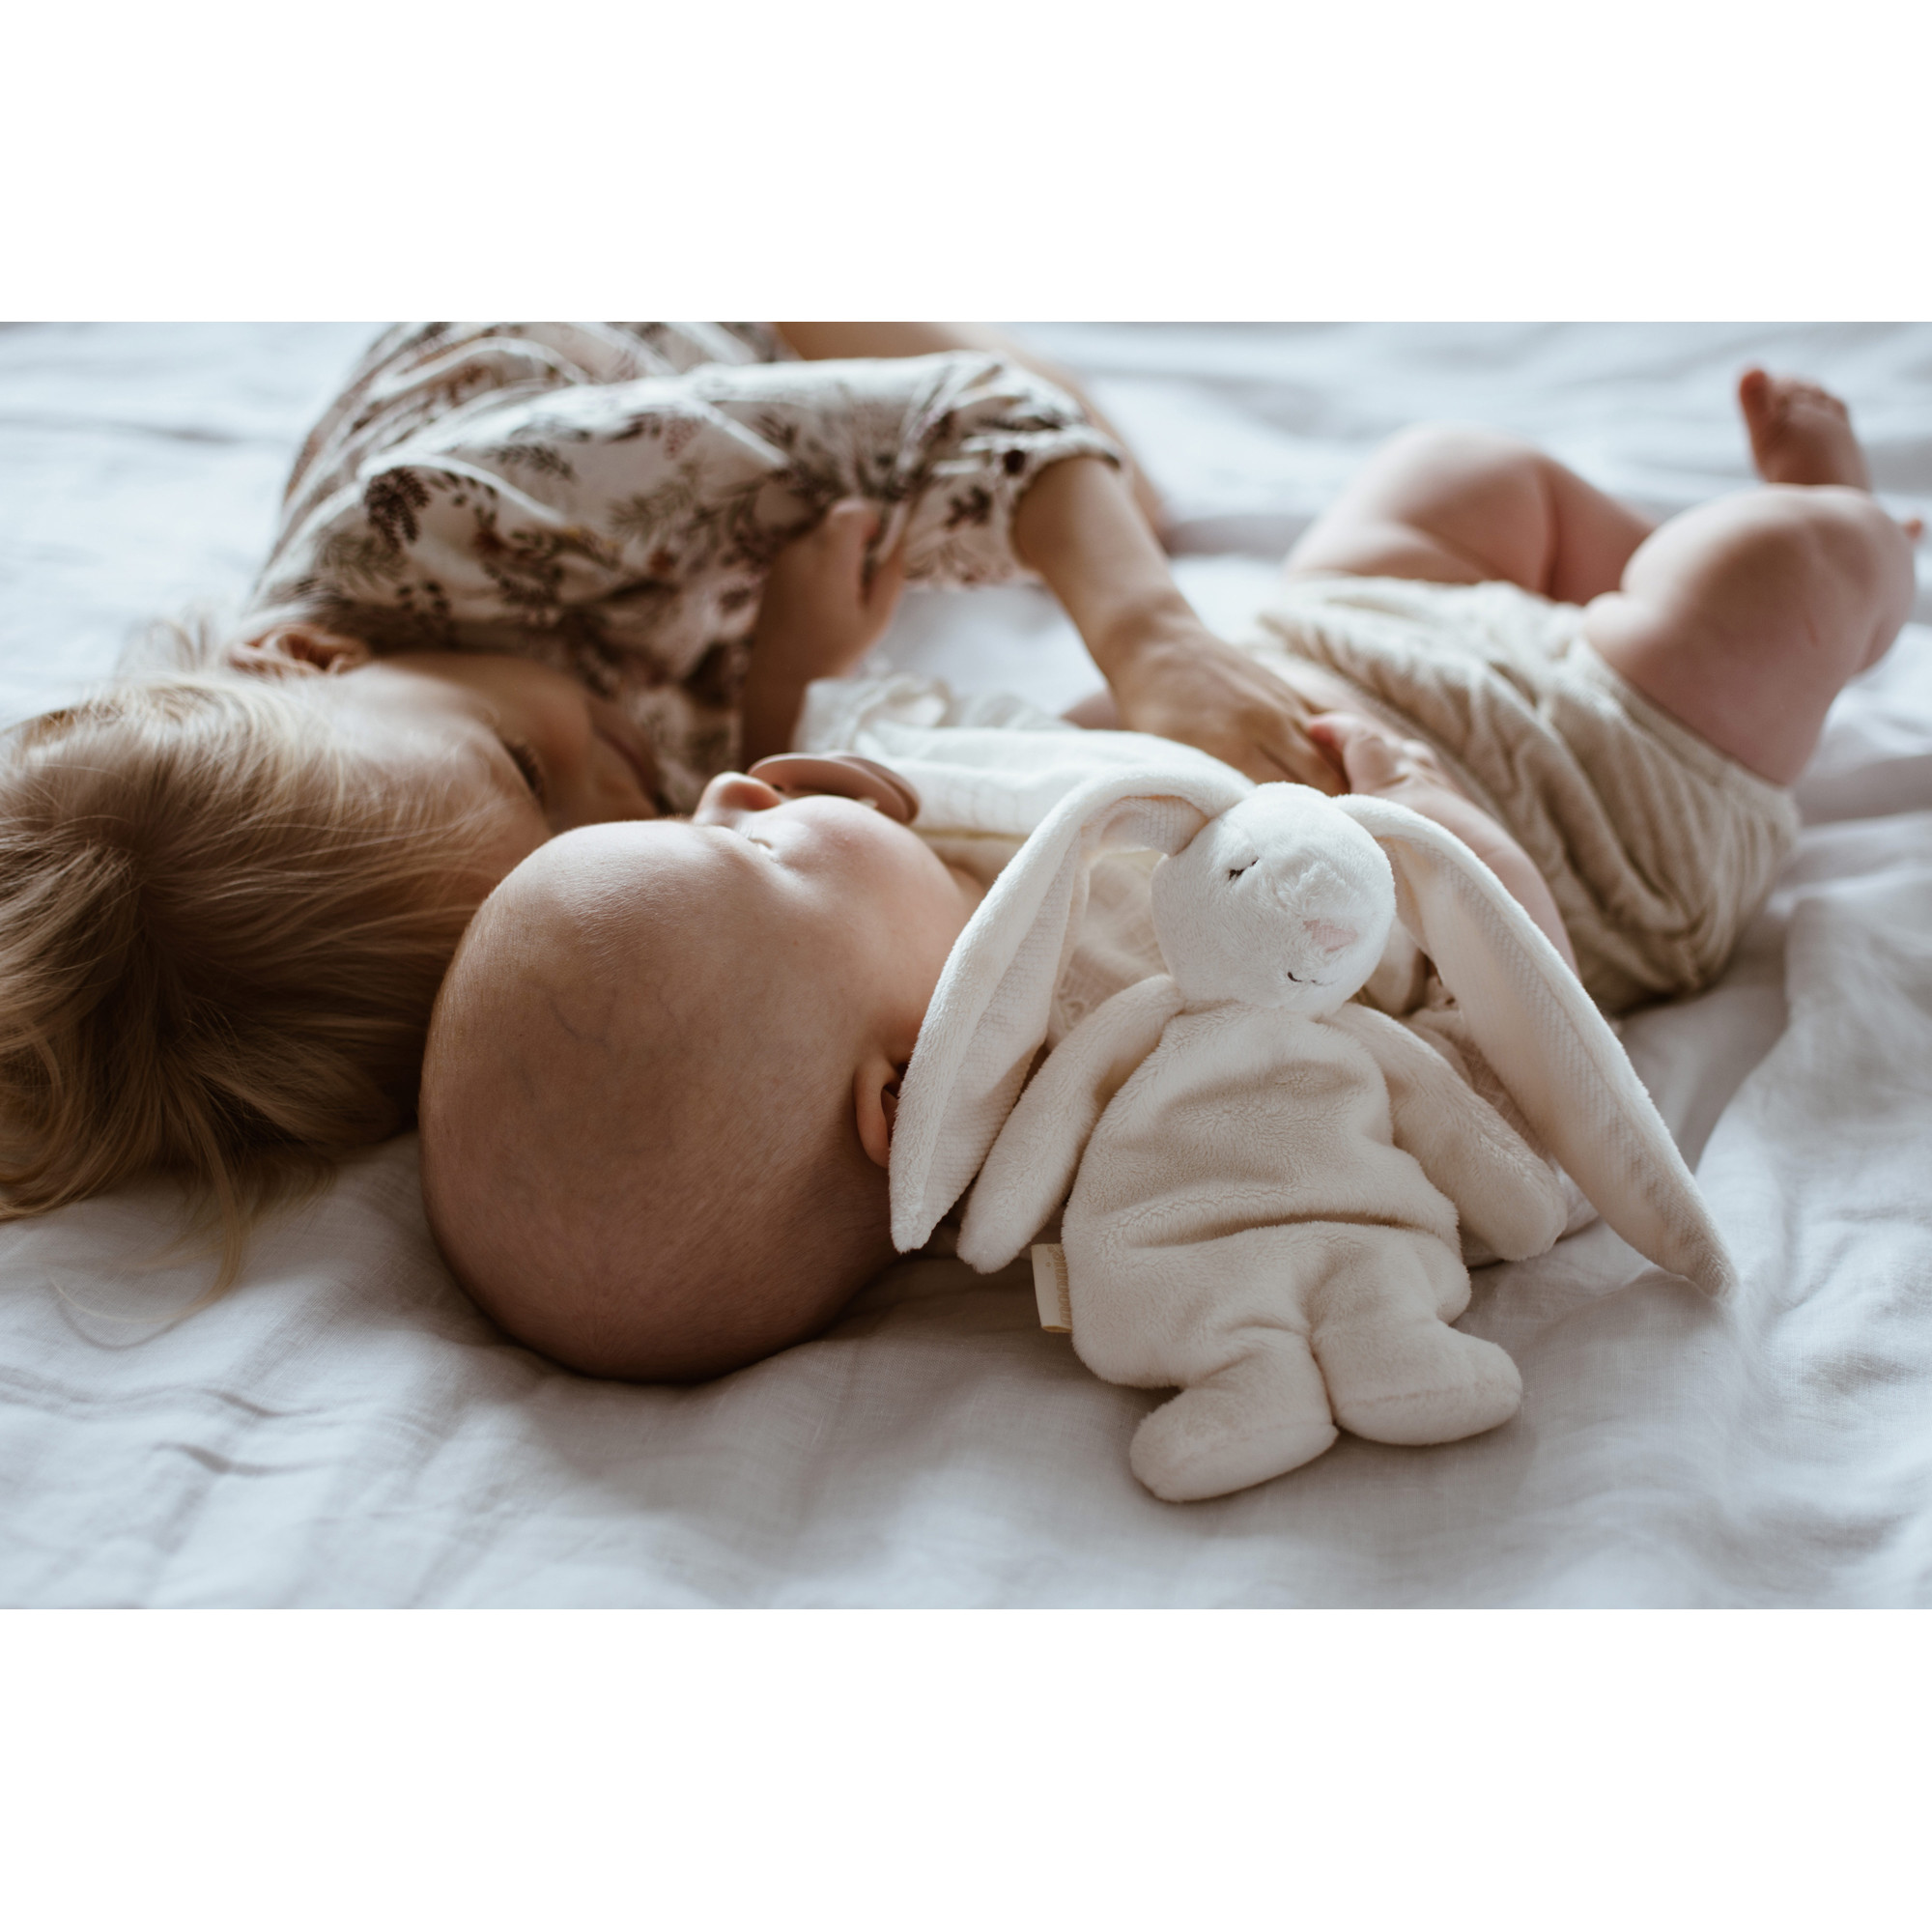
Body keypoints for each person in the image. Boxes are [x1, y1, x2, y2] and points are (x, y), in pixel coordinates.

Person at [416, 370, 1918, 1383]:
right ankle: (1852, 545)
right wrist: (1441, 813)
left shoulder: (877, 849)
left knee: (1456, 474)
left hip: (1322, 649)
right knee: (1783, 575)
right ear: (896, 1099)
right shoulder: (1157, 1111)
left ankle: (1624, 566)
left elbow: (829, 784)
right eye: (746, 846)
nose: (738, 788)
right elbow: (1511, 1080)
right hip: (1587, 797)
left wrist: (790, 679)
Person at [2, 321, 1284, 1275]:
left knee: (1097, 474)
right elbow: (712, 884)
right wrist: (782, 687)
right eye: (580, 848)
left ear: (310, 656)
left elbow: (976, 414)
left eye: (523, 767)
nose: (621, 807)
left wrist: (1154, 640)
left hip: (690, 335)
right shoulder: (454, 855)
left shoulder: (453, 514)